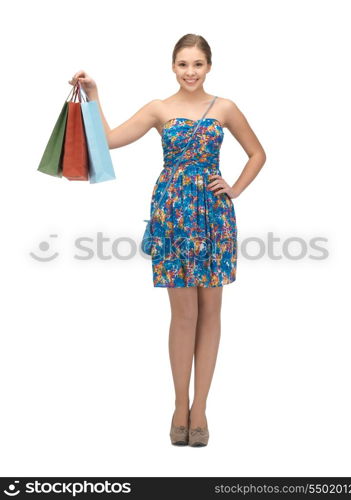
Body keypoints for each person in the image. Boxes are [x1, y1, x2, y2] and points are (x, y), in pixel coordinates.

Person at [69, 33, 266, 447]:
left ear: (209, 66)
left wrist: (236, 189)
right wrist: (93, 95)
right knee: (184, 314)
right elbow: (109, 139)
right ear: (173, 67)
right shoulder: (160, 109)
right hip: (173, 213)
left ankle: (201, 409)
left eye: (197, 64)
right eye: (183, 64)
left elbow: (257, 153)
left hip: (213, 215)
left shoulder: (226, 108)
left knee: (211, 310)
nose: (190, 72)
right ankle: (180, 406)